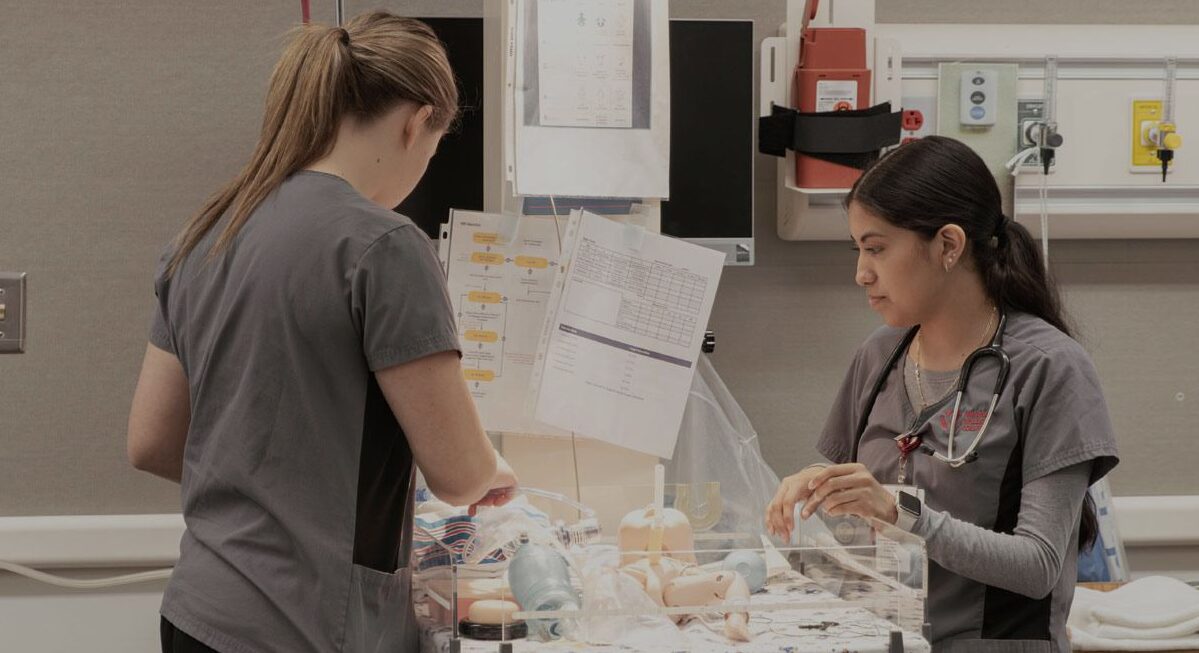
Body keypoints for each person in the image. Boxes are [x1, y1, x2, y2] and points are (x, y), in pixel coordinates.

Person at [126, 13, 517, 653]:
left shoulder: (200, 239)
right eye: (433, 145)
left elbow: (152, 441)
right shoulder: (384, 246)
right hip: (306, 625)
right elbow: (457, 471)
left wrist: (276, 482)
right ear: (417, 123)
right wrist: (493, 468)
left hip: (197, 614)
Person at [765, 136, 1119, 652]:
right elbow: (866, 529)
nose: (861, 273)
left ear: (948, 246)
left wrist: (900, 512)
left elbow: (1038, 565)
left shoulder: (1049, 368)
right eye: (858, 249)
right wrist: (820, 493)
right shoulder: (880, 356)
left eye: (877, 248)